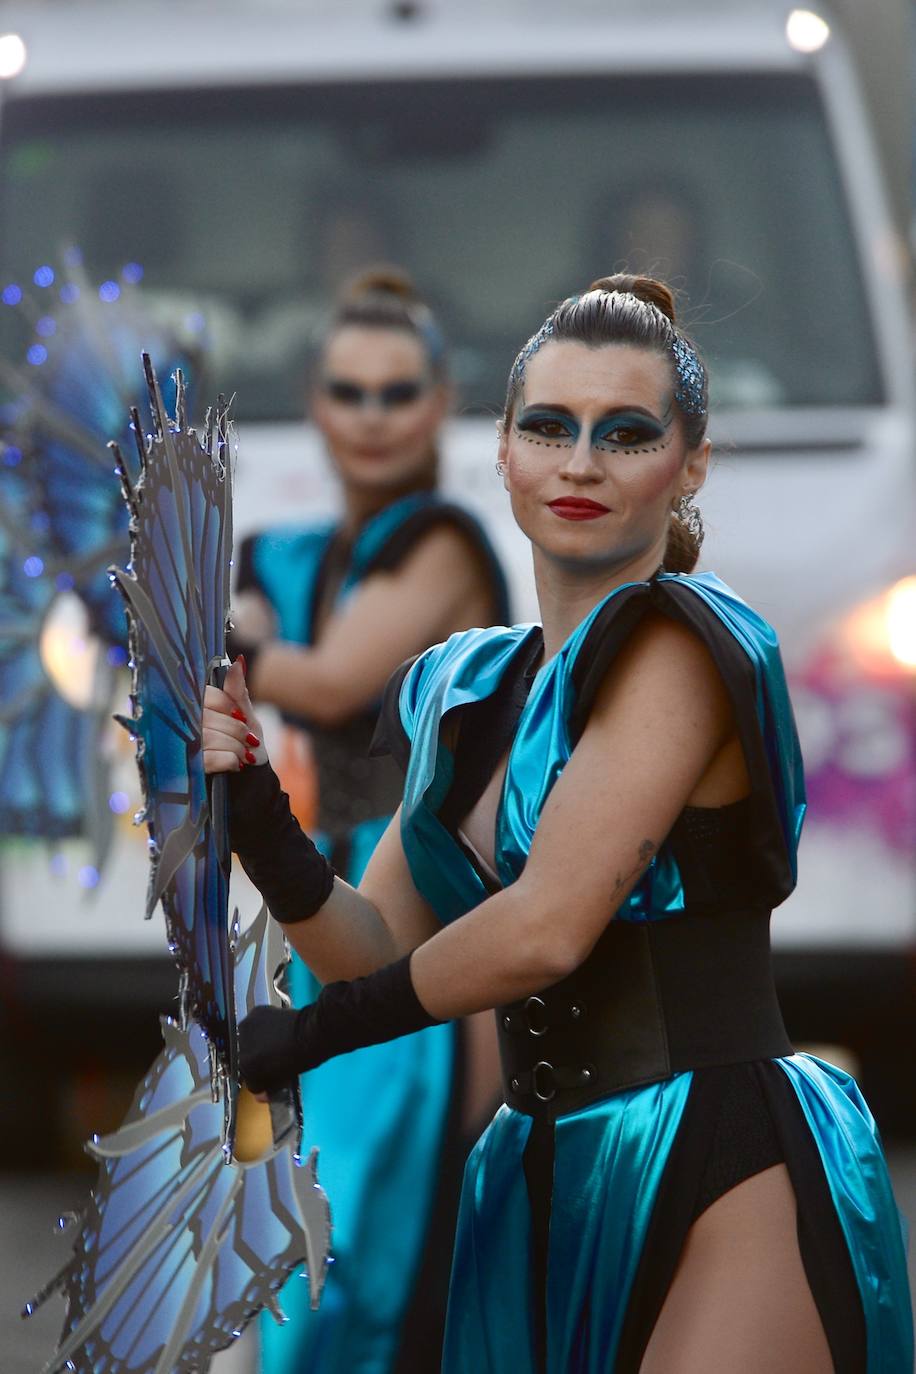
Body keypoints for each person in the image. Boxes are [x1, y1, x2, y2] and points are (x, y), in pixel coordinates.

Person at [207, 275, 913, 1372]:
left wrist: (317, 1033)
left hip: (722, 1163)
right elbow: (369, 946)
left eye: (625, 434)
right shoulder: (468, 693)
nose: (579, 463)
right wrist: (258, 817)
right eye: (549, 425)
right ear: (501, 450)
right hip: (534, 1172)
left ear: (689, 466)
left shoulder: (684, 644)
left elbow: (544, 930)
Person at [230, 268, 510, 1374]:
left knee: (360, 1238)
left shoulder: (441, 542)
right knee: (290, 1223)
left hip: (414, 907)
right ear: (315, 400)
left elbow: (336, 682)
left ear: (440, 403)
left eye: (398, 392)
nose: (373, 416)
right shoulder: (299, 555)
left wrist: (219, 631)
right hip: (309, 906)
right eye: (350, 391)